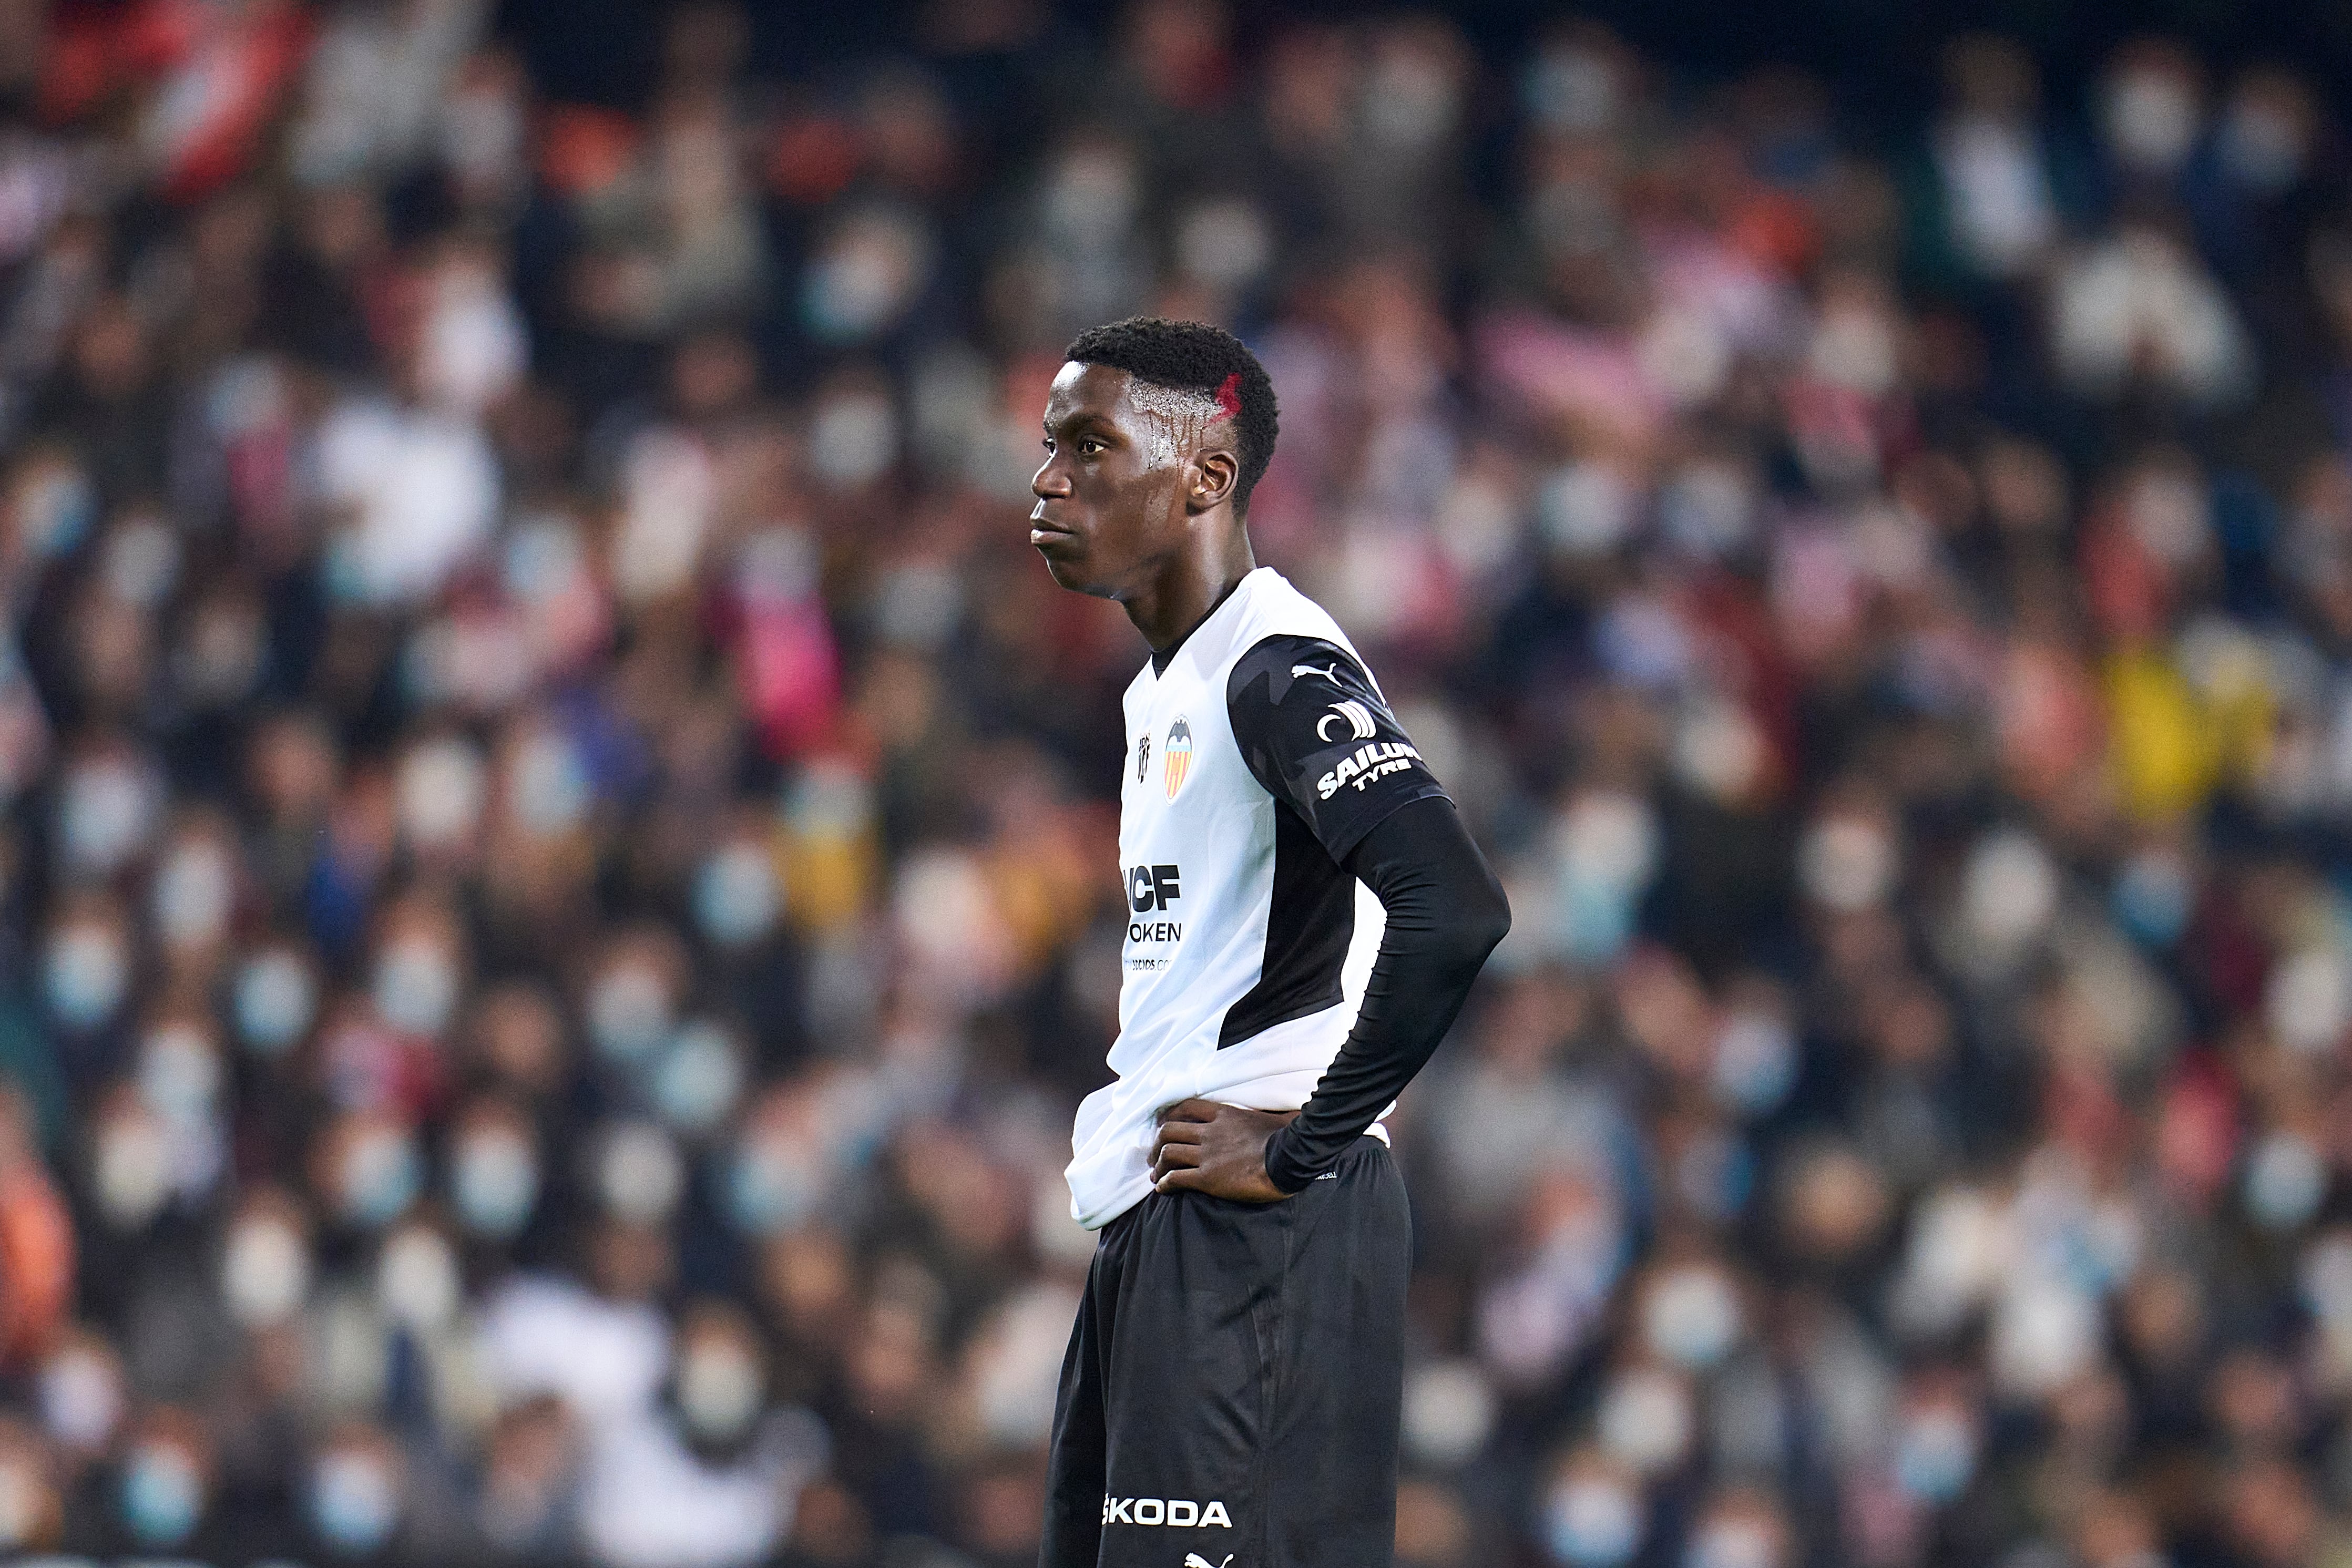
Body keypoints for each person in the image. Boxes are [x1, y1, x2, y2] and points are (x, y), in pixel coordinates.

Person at [1028, 317, 1511, 1568]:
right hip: (1170, 1213)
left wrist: (1305, 1145)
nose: (1048, 478)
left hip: (1256, 1227)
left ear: (1205, 476)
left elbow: (1454, 905)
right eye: (1048, 446)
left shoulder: (1273, 665)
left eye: (1090, 445)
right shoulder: (1168, 686)